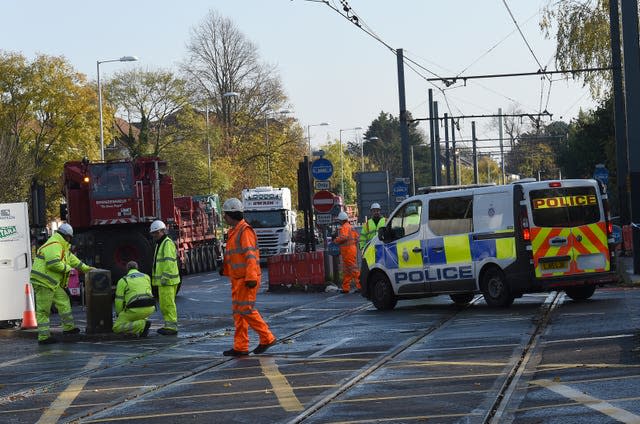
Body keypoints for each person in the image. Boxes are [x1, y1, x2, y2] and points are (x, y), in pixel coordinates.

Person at [221, 198, 277, 357]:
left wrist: (251, 277)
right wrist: (225, 268)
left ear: (231, 214)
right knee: (239, 313)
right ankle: (240, 346)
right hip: (238, 279)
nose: (224, 217)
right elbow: (234, 255)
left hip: (246, 279)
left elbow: (250, 256)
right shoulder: (235, 231)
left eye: (225, 214)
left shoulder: (244, 231)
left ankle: (267, 338)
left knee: (246, 310)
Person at [30, 223, 92, 345]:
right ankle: (43, 337)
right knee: (43, 311)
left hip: (51, 282)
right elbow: (53, 263)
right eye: (70, 237)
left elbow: (73, 260)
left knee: (64, 302)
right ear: (67, 236)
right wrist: (68, 269)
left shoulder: (61, 246)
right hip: (44, 282)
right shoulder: (55, 245)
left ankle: (69, 328)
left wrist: (87, 269)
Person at [150, 220, 180, 335]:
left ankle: (171, 327)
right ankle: (169, 325)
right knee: (165, 304)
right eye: (153, 233)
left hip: (167, 280)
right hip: (165, 280)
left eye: (156, 233)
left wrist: (164, 277)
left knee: (168, 304)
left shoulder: (166, 243)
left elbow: (168, 262)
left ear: (162, 231)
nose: (154, 235)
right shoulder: (162, 243)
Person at [112, 261, 155, 337]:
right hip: (150, 308)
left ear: (127, 269)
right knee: (136, 316)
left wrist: (119, 314)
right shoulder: (146, 277)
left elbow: (118, 301)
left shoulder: (123, 280)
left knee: (116, 327)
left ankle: (141, 324)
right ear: (137, 268)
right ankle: (141, 325)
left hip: (134, 309)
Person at [334, 211, 361, 293]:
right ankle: (345, 288)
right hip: (350, 250)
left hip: (348, 251)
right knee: (347, 270)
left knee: (353, 269)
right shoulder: (350, 226)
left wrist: (336, 240)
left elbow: (344, 237)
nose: (339, 221)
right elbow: (357, 238)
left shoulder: (344, 227)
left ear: (342, 220)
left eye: (339, 220)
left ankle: (360, 286)